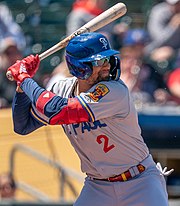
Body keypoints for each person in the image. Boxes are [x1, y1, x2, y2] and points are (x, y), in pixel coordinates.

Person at [7, 32, 173, 206]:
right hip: (98, 186)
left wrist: (25, 78)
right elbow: (22, 125)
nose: (106, 66)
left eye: (107, 60)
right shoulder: (62, 89)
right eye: (98, 62)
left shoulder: (115, 91)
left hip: (140, 181)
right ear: (80, 67)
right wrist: (21, 86)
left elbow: (59, 110)